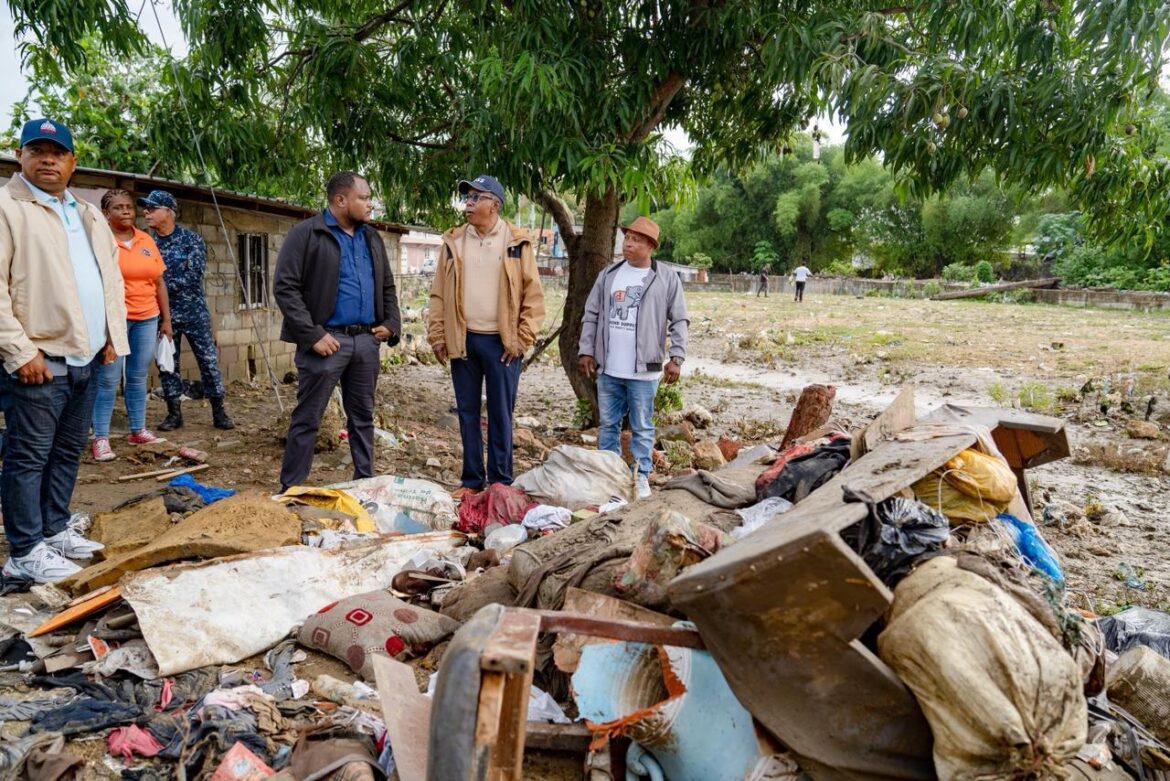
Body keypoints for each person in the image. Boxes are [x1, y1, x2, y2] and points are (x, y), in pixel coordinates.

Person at [0, 118, 128, 582]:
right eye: (37, 150)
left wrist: (114, 337)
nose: (48, 159)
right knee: (27, 456)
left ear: (73, 161)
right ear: (21, 156)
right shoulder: (8, 207)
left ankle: (53, 530)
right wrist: (19, 352)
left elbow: (109, 280)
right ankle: (25, 551)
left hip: (87, 356)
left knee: (66, 449)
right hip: (40, 360)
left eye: (57, 152)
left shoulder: (88, 213)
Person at [274, 171, 401, 492]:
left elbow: (386, 284)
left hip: (365, 341)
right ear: (340, 200)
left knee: (363, 417)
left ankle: (365, 483)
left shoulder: (371, 238)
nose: (369, 204)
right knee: (308, 418)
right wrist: (312, 335)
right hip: (326, 342)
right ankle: (292, 489)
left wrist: (391, 323)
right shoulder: (306, 234)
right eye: (363, 197)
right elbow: (285, 288)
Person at [427, 175, 545, 498]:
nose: (468, 203)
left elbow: (533, 296)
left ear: (494, 204)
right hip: (463, 340)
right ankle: (471, 480)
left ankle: (500, 481)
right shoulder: (454, 243)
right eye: (467, 198)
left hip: (502, 344)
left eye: (475, 198)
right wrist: (438, 334)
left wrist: (522, 339)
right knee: (466, 413)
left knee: (500, 413)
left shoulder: (516, 243)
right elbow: (438, 293)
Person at [577, 216, 688, 499]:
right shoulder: (609, 275)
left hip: (644, 371)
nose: (628, 243)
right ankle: (609, 477)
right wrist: (586, 350)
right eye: (627, 238)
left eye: (636, 240)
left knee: (642, 427)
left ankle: (640, 478)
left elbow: (680, 319)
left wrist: (676, 357)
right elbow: (591, 314)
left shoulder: (666, 278)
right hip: (610, 369)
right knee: (608, 426)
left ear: (650, 246)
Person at [140, 190, 235, 431]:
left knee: (208, 361)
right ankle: (174, 414)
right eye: (146, 208)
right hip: (162, 315)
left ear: (168, 212)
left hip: (194, 313)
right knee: (167, 364)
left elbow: (192, 277)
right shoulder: (147, 244)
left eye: (153, 208)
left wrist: (156, 284)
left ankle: (219, 411)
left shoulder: (191, 240)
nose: (146, 212)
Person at [90, 189, 172, 461]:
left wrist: (166, 321)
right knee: (109, 378)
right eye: (118, 207)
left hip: (147, 317)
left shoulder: (146, 240)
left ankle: (138, 429)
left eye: (128, 207)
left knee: (137, 376)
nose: (126, 211)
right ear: (105, 214)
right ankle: (100, 437)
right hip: (114, 319)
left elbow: (159, 282)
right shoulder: (100, 242)